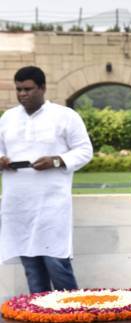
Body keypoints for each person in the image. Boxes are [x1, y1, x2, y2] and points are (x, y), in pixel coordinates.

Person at [0, 65, 93, 294]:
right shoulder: (8, 118)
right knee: (31, 268)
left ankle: (73, 318)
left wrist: (56, 161)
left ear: (42, 88)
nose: (22, 94)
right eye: (19, 89)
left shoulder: (65, 116)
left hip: (51, 206)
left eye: (28, 89)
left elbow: (84, 151)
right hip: (19, 206)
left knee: (57, 265)